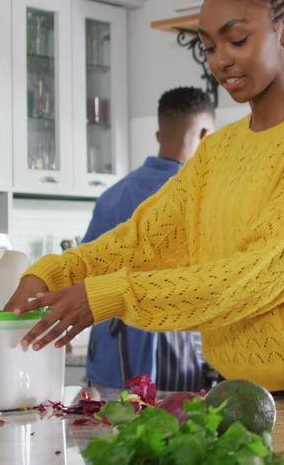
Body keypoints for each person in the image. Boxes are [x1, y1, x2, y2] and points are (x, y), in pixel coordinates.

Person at [4, 0, 284, 398]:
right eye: (209, 47)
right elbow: (142, 241)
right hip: (245, 392)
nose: (220, 60)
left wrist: (107, 295)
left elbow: (260, 272)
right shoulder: (218, 150)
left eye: (236, 40)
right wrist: (52, 273)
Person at [82, 86, 215, 394]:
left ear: (159, 135)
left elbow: (85, 272)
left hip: (106, 359)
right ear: (207, 135)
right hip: (169, 359)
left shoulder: (111, 196)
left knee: (104, 439)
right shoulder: (197, 197)